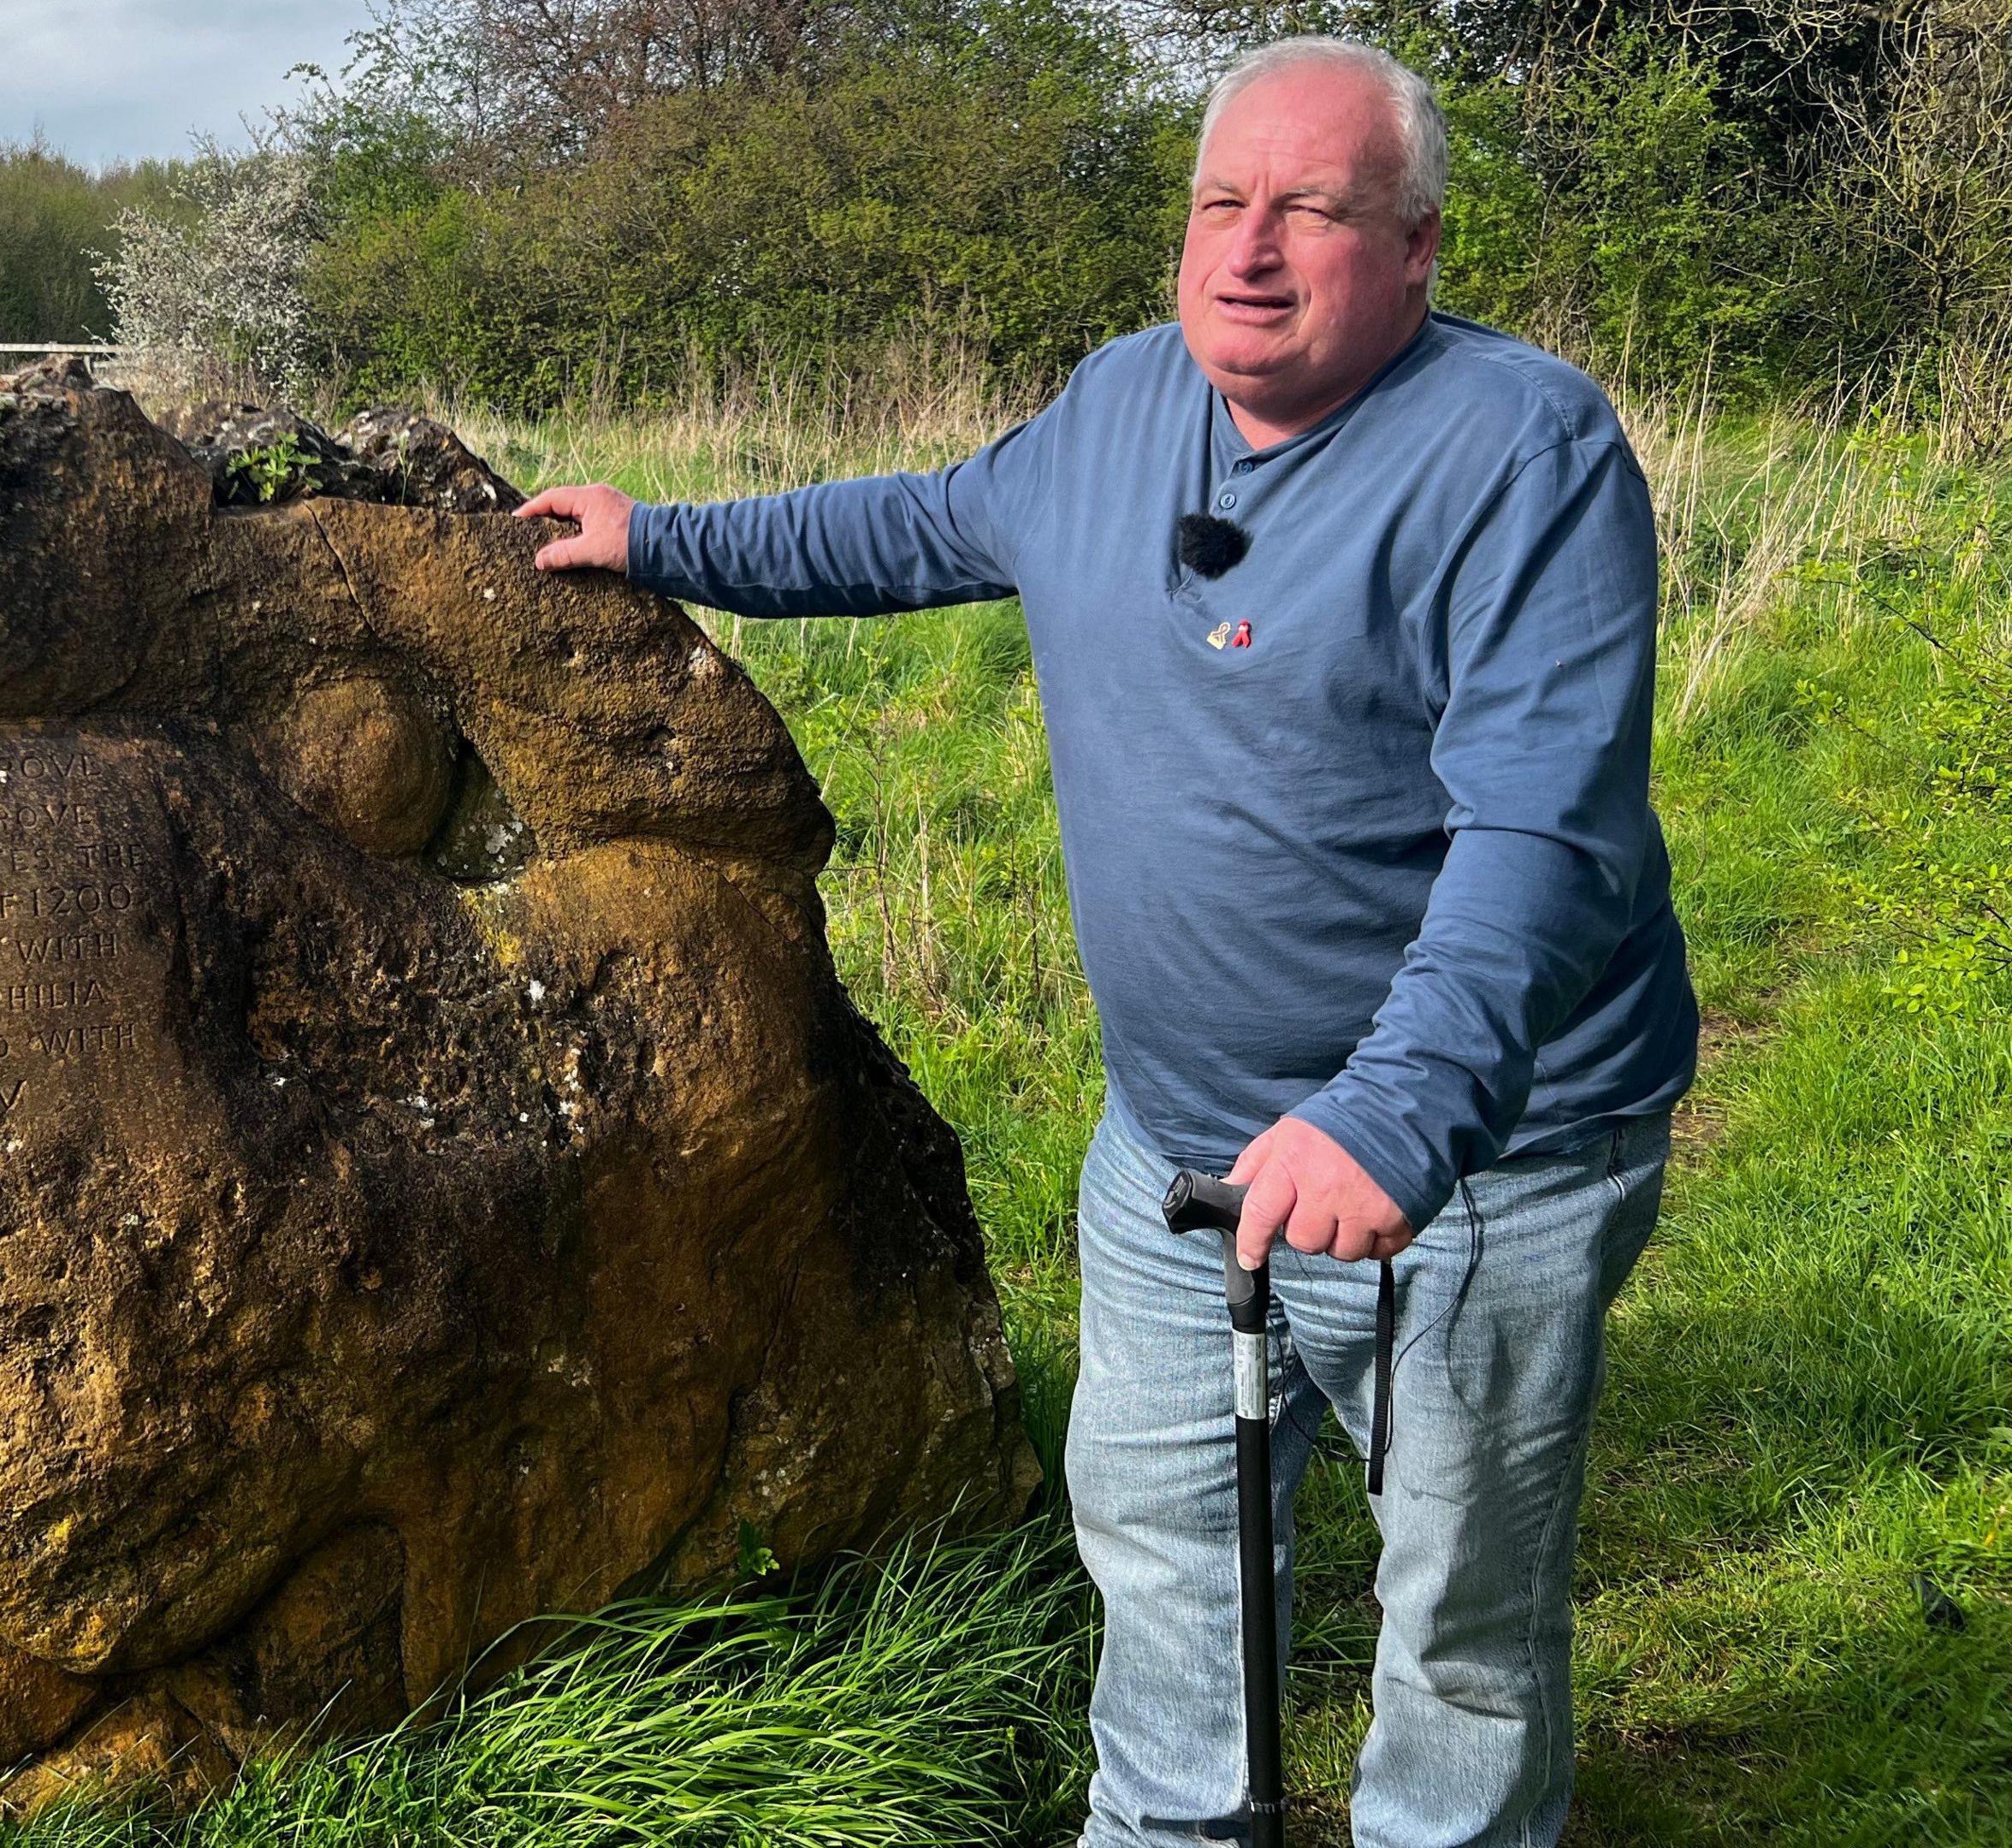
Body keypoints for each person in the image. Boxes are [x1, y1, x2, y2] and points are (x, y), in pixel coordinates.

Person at [514, 35, 1697, 1848]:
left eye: (1312, 208)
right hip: (1178, 1154)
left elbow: (1553, 833)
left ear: (1422, 248)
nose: (1251, 247)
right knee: (1165, 1569)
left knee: (1460, 1617)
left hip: (1477, 1167)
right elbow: (915, 521)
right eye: (1223, 202)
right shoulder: (1119, 404)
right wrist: (660, 531)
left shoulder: (1518, 452)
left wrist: (1400, 1117)